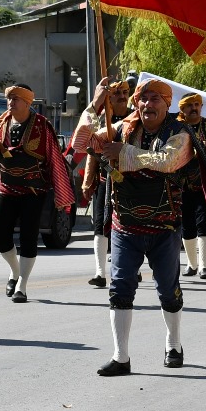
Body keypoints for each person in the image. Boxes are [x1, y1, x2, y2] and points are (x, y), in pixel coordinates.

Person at [72, 77, 206, 376]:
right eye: (143, 98)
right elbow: (80, 144)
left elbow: (166, 162)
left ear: (168, 103)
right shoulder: (119, 129)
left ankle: (173, 343)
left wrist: (122, 153)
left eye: (155, 99)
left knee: (168, 290)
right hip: (126, 226)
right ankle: (121, 357)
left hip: (164, 226)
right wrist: (95, 105)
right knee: (120, 288)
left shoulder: (180, 134)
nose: (148, 104)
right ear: (136, 102)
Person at [0, 83, 75, 304]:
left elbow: (55, 161)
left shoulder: (42, 127)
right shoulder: (0, 125)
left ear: (28, 102)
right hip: (6, 189)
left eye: (16, 99)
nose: (11, 102)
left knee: (29, 238)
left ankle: (22, 286)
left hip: (33, 191)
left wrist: (61, 194)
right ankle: (14, 271)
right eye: (9, 98)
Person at [78, 78, 131, 288]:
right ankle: (100, 272)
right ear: (109, 97)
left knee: (128, 225)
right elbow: (91, 152)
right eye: (117, 94)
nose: (122, 97)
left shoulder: (134, 118)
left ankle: (130, 268)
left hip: (129, 180)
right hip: (104, 179)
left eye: (125, 93)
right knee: (100, 224)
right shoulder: (102, 119)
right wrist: (87, 181)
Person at [176, 92, 206, 279]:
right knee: (187, 224)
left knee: (204, 222)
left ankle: (204, 266)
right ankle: (191, 263)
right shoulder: (178, 128)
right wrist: (202, 146)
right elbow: (178, 151)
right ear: (182, 109)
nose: (194, 108)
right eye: (190, 105)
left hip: (205, 182)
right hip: (183, 183)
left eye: (197, 104)